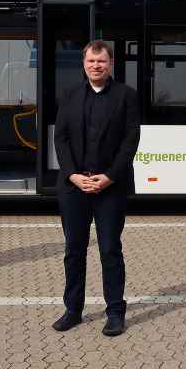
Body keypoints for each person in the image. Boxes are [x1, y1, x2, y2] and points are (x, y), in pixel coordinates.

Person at [51, 40, 141, 337]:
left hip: (110, 188)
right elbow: (60, 138)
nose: (96, 66)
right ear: (84, 63)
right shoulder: (70, 95)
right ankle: (73, 310)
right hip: (74, 187)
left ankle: (115, 311)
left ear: (110, 63)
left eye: (101, 61)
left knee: (110, 250)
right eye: (91, 61)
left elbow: (130, 141)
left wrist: (109, 177)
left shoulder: (126, 96)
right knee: (73, 251)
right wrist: (73, 175)